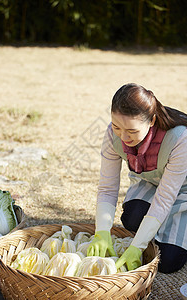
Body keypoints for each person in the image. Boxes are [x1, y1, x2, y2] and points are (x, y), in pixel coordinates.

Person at [87, 83, 187, 273]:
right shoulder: (112, 134)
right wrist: (101, 232)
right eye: (117, 126)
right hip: (152, 183)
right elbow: (107, 188)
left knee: (168, 262)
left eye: (132, 131)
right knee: (132, 217)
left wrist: (137, 247)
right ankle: (161, 227)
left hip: (183, 190)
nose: (124, 136)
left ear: (151, 121)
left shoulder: (180, 139)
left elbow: (165, 199)